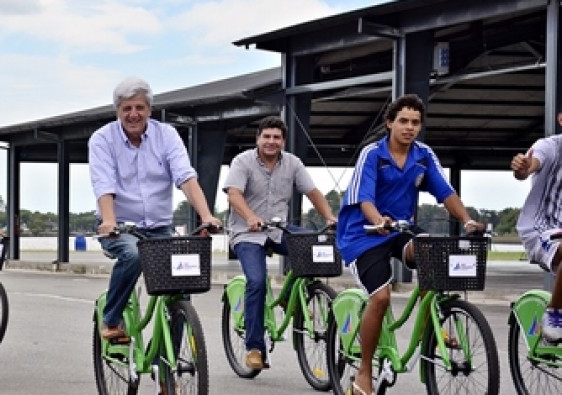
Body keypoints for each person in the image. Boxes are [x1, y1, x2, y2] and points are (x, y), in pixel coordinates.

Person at [335, 94, 483, 395]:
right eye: (403, 120)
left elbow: (446, 193)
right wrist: (379, 221)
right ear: (390, 122)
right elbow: (364, 199)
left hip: (400, 229)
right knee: (381, 298)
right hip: (362, 234)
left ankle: (436, 327)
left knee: (429, 249)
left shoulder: (423, 155)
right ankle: (364, 373)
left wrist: (467, 220)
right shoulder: (372, 154)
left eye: (415, 122)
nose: (409, 127)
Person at [89, 77, 222, 341]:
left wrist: (206, 216)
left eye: (139, 107)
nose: (133, 114)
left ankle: (166, 368)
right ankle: (111, 318)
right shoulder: (102, 139)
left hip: (160, 227)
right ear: (117, 111)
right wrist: (109, 220)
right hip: (120, 226)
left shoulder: (167, 135)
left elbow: (185, 177)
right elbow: (104, 183)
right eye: (126, 109)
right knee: (133, 255)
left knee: (183, 283)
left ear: (149, 110)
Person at [222, 115, 337, 370]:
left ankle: (287, 298)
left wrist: (329, 216)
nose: (271, 142)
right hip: (247, 233)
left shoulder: (293, 163)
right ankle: (254, 347)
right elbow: (234, 194)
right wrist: (250, 216)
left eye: (276, 137)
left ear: (283, 141)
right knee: (256, 281)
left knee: (313, 246)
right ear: (258, 139)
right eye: (267, 137)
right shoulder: (242, 161)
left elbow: (313, 191)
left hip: (278, 229)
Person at [510, 111, 562, 343]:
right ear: (561, 119)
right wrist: (523, 168)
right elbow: (530, 165)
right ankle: (554, 314)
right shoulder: (550, 147)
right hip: (541, 227)